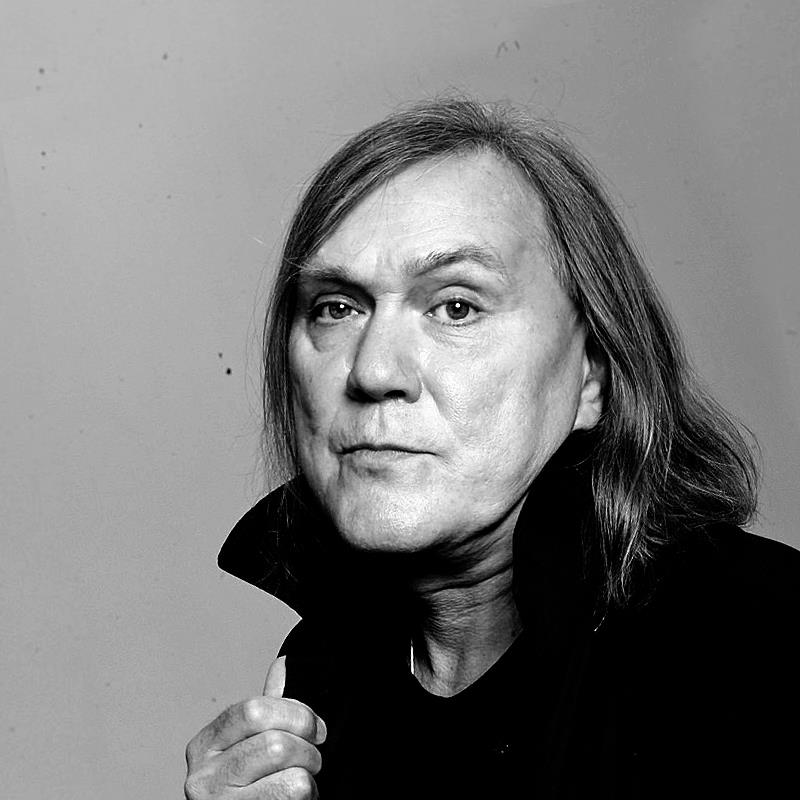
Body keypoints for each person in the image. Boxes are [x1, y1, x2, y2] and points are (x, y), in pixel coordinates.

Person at [184, 98, 799, 800]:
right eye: (337, 307)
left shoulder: (766, 643)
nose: (374, 371)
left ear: (592, 377)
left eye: (457, 306)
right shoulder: (316, 684)